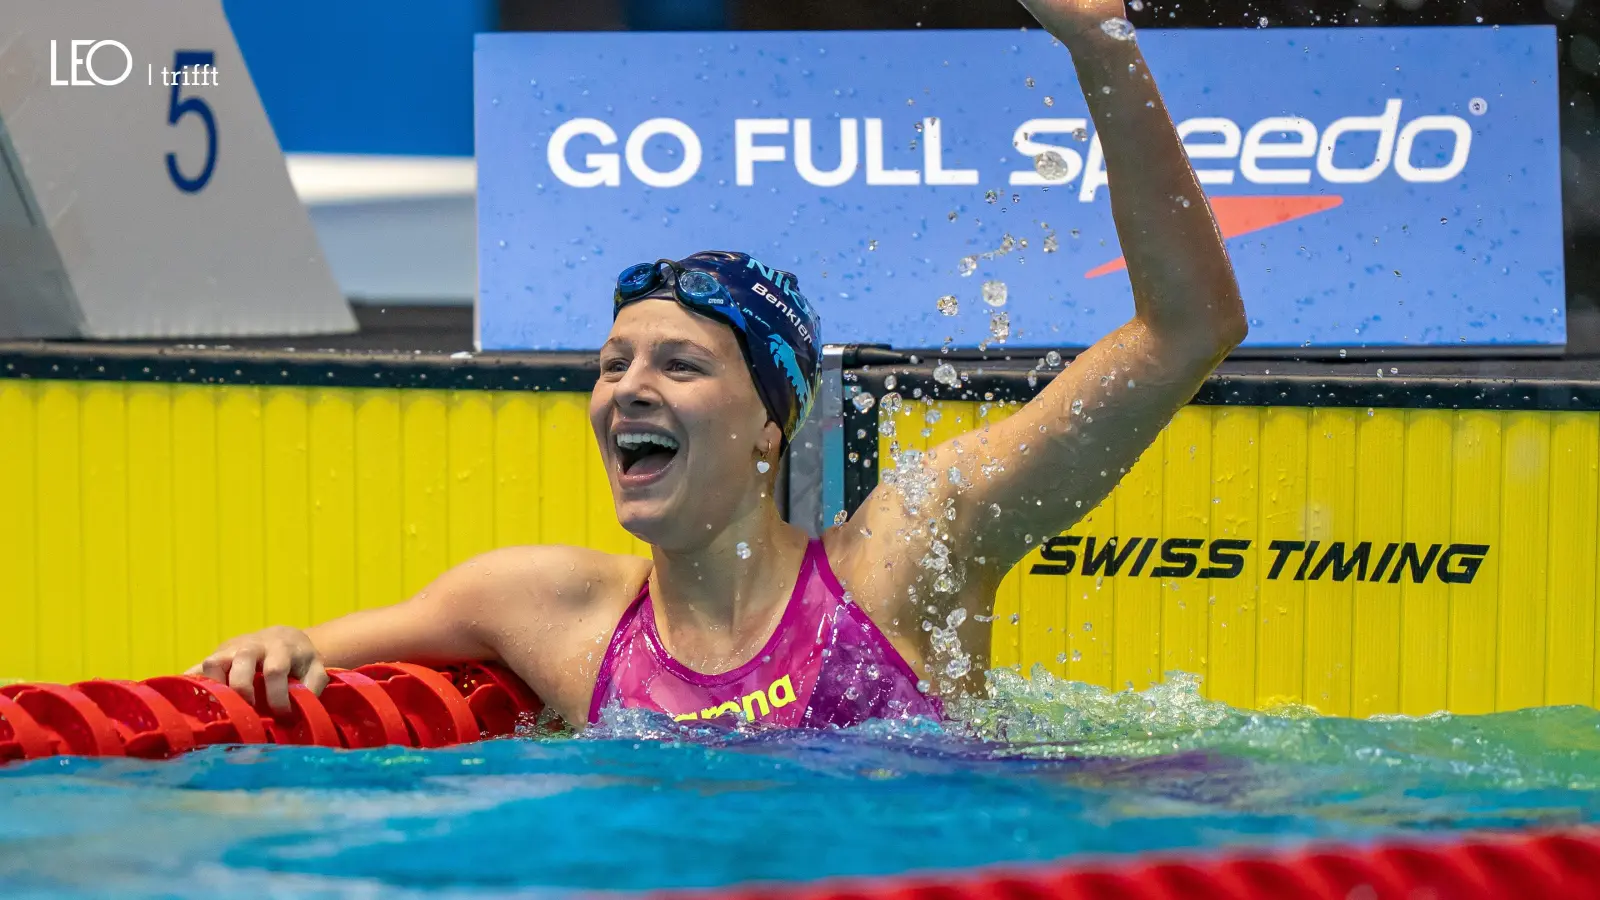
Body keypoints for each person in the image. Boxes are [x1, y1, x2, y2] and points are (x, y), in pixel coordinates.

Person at [191, 0, 1246, 729]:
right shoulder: (551, 609)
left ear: (771, 422)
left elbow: (1187, 330)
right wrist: (281, 642)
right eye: (613, 364)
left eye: (680, 365)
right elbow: (300, 651)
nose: (628, 388)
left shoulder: (901, 559)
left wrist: (1100, 44)